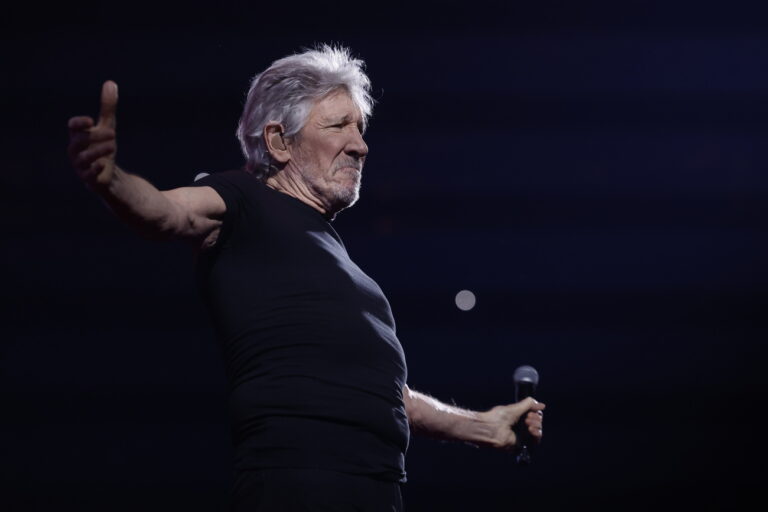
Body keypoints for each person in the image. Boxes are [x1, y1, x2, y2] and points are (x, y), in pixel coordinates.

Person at [67, 45, 545, 511]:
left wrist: (482, 425)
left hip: (379, 491)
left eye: (360, 129)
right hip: (298, 484)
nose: (361, 145)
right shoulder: (241, 199)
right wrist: (111, 180)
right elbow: (167, 212)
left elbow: (382, 392)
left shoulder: (344, 267)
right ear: (279, 141)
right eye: (339, 126)